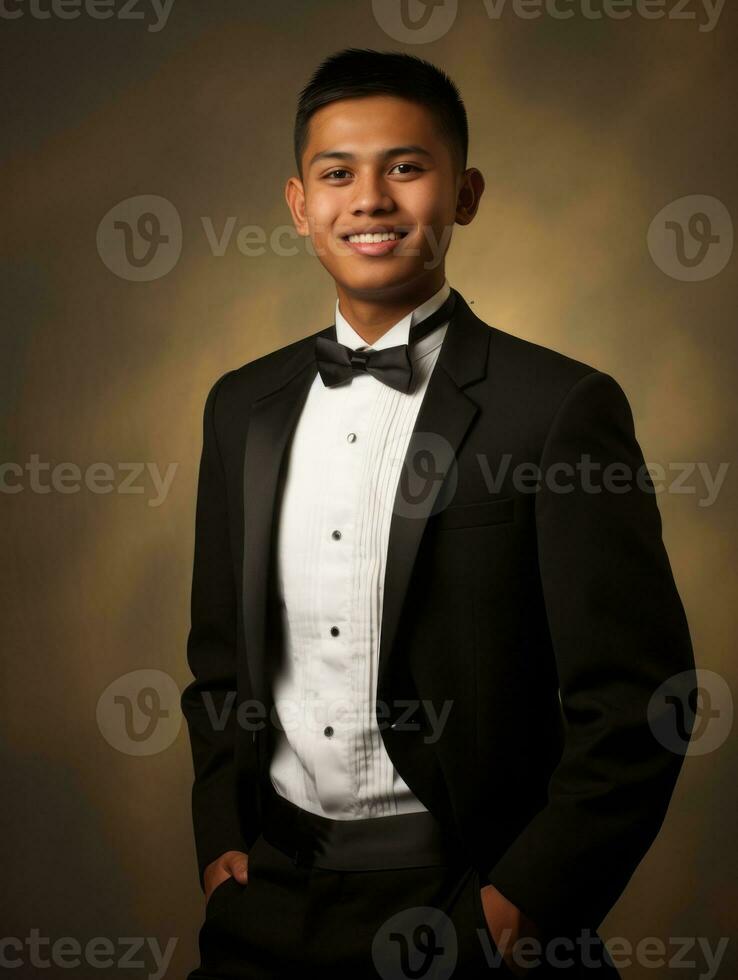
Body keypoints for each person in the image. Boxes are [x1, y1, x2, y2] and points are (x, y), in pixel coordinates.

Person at [181, 48, 696, 979]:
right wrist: (222, 837)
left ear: (464, 193)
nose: (369, 198)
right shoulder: (239, 406)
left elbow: (639, 702)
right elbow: (219, 654)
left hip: (464, 899)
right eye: (338, 173)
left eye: (406, 168)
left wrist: (525, 899)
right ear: (300, 205)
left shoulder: (558, 408)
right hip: (269, 894)